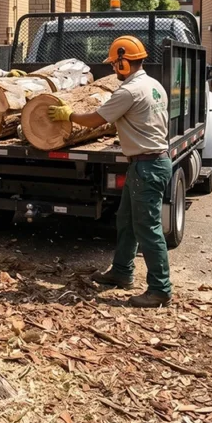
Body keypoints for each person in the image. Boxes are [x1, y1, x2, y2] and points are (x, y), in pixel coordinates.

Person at [47, 35, 172, 308]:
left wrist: (68, 115)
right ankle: (122, 271)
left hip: (147, 165)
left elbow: (96, 119)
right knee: (126, 221)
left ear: (124, 62)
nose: (114, 69)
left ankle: (160, 289)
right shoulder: (154, 85)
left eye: (115, 64)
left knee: (148, 229)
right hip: (148, 163)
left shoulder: (128, 91)